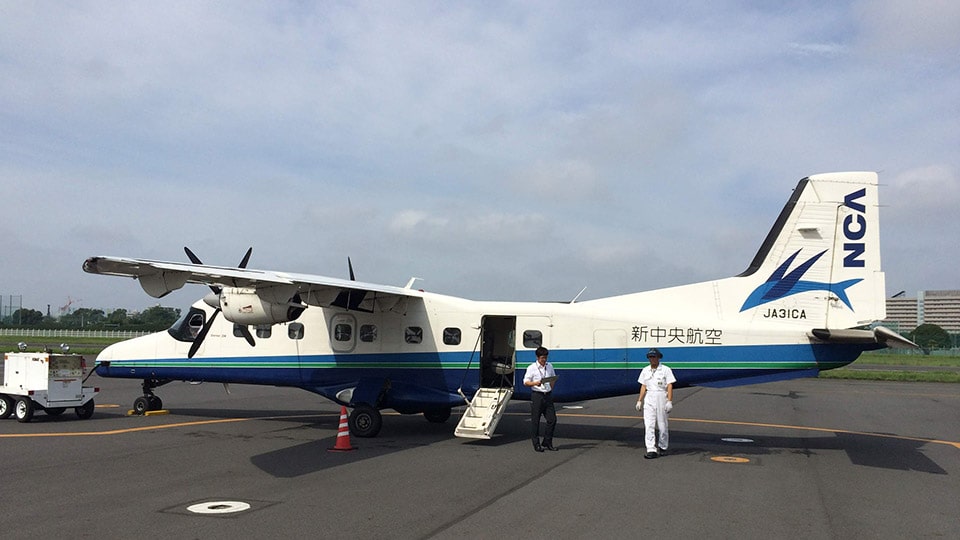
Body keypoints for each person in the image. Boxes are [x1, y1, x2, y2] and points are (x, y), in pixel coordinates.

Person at [636, 348, 676, 459]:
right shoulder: (645, 370)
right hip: (649, 397)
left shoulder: (665, 370)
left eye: (654, 357)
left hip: (661, 396)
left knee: (662, 425)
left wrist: (669, 401)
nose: (652, 359)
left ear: (659, 357)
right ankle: (651, 449)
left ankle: (663, 446)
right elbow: (643, 386)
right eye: (650, 357)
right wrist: (640, 400)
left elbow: (669, 385)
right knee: (649, 425)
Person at [524, 346, 558, 452]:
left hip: (547, 395)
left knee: (552, 419)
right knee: (536, 421)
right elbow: (525, 382)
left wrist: (550, 387)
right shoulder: (531, 368)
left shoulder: (550, 366)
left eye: (546, 357)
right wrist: (535, 383)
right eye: (542, 358)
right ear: (538, 357)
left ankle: (547, 441)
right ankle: (536, 443)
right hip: (537, 395)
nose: (544, 360)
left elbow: (553, 377)